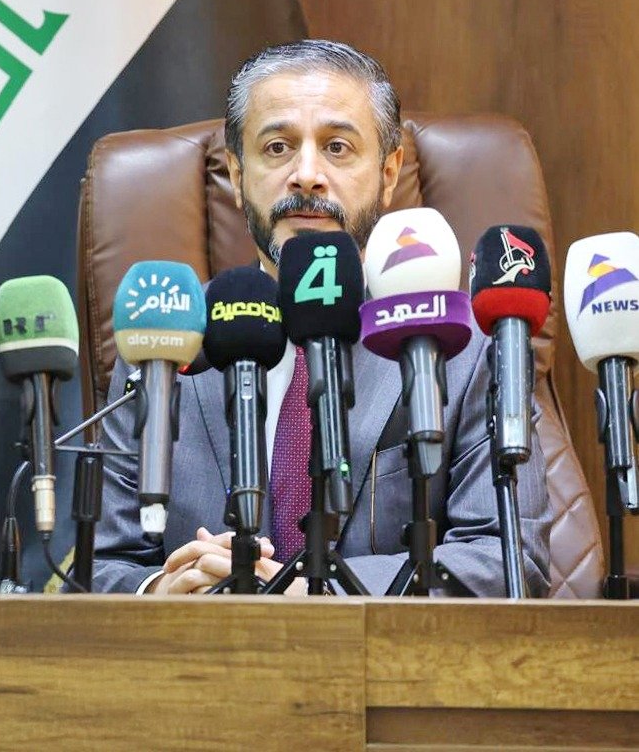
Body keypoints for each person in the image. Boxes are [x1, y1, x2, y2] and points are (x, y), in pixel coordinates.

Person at [92, 40, 551, 597]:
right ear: (236, 174)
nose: (306, 175)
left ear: (388, 174)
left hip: (381, 655)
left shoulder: (464, 347)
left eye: (337, 147)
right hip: (200, 651)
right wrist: (161, 594)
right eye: (278, 147)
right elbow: (98, 565)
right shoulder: (162, 340)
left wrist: (320, 594)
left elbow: (507, 558)